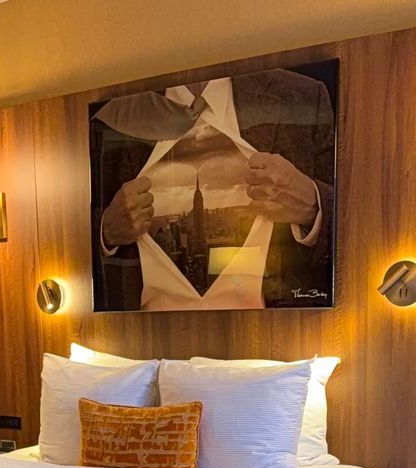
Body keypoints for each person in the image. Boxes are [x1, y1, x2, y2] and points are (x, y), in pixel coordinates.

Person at [92, 66, 335, 310]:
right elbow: (74, 239)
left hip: (282, 327)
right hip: (138, 328)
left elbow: (351, 225)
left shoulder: (302, 96)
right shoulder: (111, 113)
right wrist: (107, 231)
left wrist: (313, 204)